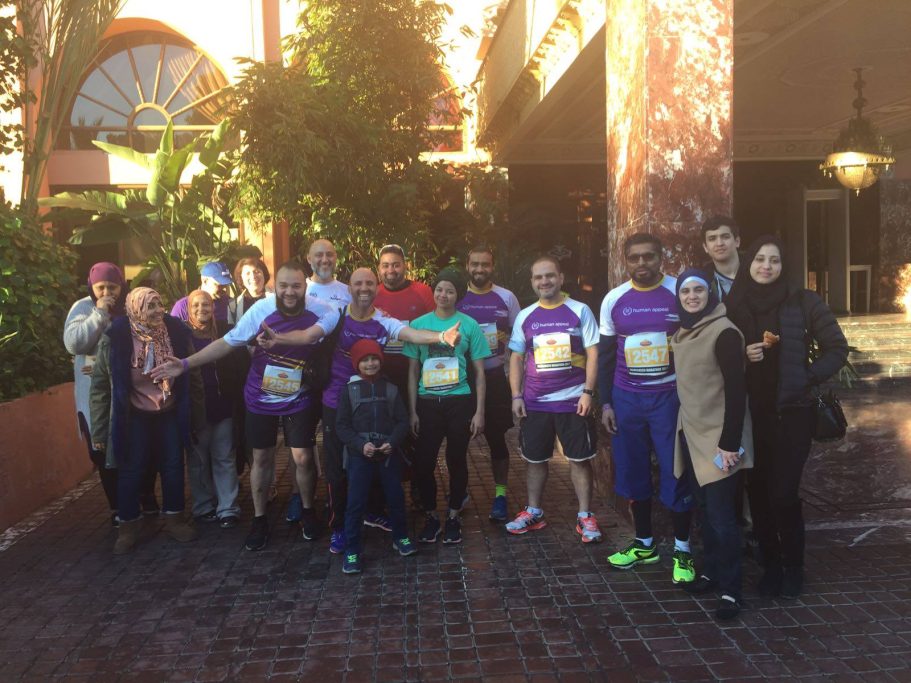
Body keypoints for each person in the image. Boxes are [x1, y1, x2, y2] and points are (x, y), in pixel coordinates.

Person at [269, 267, 461, 554]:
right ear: (350, 288)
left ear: (376, 287)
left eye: (369, 283)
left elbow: (409, 333)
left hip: (372, 403)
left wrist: (440, 337)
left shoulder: (383, 319)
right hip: (337, 402)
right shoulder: (337, 315)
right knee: (337, 470)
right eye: (358, 283)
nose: (363, 288)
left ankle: (371, 512)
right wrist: (279, 340)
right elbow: (310, 335)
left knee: (375, 460)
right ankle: (339, 528)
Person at [151, 261, 340, 551]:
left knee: (303, 458)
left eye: (296, 286)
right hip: (259, 398)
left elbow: (310, 336)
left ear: (306, 286)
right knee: (262, 459)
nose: (290, 292)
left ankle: (307, 511)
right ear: (275, 287)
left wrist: (278, 340)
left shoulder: (322, 309)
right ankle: (260, 520)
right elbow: (227, 343)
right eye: (284, 286)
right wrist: (185, 364)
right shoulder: (261, 310)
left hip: (299, 397)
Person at [726, 236, 848, 599]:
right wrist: (742, 358)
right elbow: (718, 357)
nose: (767, 266)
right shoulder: (734, 303)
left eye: (774, 260)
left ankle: (794, 566)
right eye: (760, 259)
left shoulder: (803, 300)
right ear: (748, 263)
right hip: (751, 415)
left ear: (784, 265)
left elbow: (837, 348)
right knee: (758, 494)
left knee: (782, 494)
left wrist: (807, 376)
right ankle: (771, 566)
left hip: (793, 414)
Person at [597, 233, 694, 584]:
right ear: (625, 260)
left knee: (676, 471)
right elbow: (606, 355)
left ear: (661, 257)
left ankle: (683, 550)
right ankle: (644, 544)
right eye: (635, 258)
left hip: (670, 398)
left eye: (649, 257)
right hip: (626, 398)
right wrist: (605, 401)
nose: (642, 264)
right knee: (633, 471)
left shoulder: (680, 292)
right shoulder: (614, 299)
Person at [90, 288, 202, 554]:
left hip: (169, 411)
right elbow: (100, 388)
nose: (157, 310)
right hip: (134, 414)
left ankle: (175, 519)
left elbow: (192, 375)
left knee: (174, 465)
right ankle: (128, 526)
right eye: (150, 306)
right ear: (136, 308)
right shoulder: (116, 337)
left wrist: (197, 415)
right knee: (131, 468)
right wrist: (98, 430)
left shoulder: (175, 332)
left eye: (159, 304)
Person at [671, 269, 753, 620]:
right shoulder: (682, 333)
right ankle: (712, 572)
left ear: (711, 293)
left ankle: (732, 591)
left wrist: (730, 443)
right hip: (691, 434)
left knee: (722, 518)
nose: (692, 296)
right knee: (704, 512)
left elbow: (737, 392)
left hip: (720, 439)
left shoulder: (724, 333)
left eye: (699, 290)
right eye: (685, 291)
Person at [505, 256, 602, 544]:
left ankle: (585, 516)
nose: (544, 282)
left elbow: (594, 353)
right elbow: (516, 357)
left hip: (574, 400)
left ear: (561, 278)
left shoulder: (580, 310)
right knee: (535, 460)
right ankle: (534, 512)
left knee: (579, 460)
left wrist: (588, 392)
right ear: (532, 282)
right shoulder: (525, 315)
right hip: (535, 402)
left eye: (549, 276)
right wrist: (516, 395)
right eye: (538, 278)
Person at [64, 262, 157, 524]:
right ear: (91, 287)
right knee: (102, 450)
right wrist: (99, 313)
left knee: (143, 444)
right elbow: (74, 343)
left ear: (122, 286)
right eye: (100, 287)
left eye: (112, 287)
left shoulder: (130, 306)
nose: (107, 292)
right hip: (96, 399)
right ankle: (118, 506)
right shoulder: (82, 308)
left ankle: (146, 493)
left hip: (133, 393)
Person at [405, 267, 490, 545]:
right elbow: (412, 371)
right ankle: (431, 516)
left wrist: (479, 411)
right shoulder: (418, 324)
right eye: (439, 289)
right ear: (433, 291)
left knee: (456, 460)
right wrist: (413, 410)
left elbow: (479, 372)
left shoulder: (469, 325)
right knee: (424, 462)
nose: (443, 295)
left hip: (459, 402)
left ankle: (453, 516)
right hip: (428, 403)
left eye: (450, 290)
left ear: (458, 295)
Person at [335, 339, 417, 574]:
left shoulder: (391, 389)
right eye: (365, 360)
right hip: (360, 455)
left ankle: (400, 537)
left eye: (374, 359)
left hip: (388, 454)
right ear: (356, 364)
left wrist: (392, 442)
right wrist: (361, 445)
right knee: (356, 502)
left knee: (395, 497)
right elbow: (341, 426)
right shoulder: (348, 390)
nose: (370, 364)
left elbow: (402, 421)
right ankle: (352, 549)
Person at [457, 245, 521, 521]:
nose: (480, 269)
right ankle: (458, 495)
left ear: (492, 266)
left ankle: (500, 495)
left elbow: (520, 338)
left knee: (497, 439)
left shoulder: (506, 297)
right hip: (461, 379)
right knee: (458, 441)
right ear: (467, 266)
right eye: (475, 264)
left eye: (485, 264)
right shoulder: (457, 295)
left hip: (495, 378)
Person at [185, 289, 247, 529]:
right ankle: (203, 506)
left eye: (206, 305)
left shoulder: (224, 331)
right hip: (197, 410)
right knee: (198, 460)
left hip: (224, 407)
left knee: (224, 458)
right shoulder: (182, 337)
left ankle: (228, 508)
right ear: (188, 310)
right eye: (196, 306)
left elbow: (239, 363)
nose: (202, 310)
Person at [701, 215, 741, 302]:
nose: (719, 243)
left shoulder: (758, 272)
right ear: (705, 247)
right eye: (712, 239)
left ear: (737, 241)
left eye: (725, 237)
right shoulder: (701, 280)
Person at [306, 239, 352, 307]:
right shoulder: (299, 290)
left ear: (336, 258)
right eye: (319, 255)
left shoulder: (348, 293)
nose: (325, 260)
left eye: (329, 255)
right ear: (309, 259)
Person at [227, 256, 270, 325]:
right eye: (247, 273)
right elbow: (233, 334)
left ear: (264, 274)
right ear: (241, 279)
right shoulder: (233, 306)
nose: (253, 276)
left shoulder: (278, 299)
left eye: (257, 271)